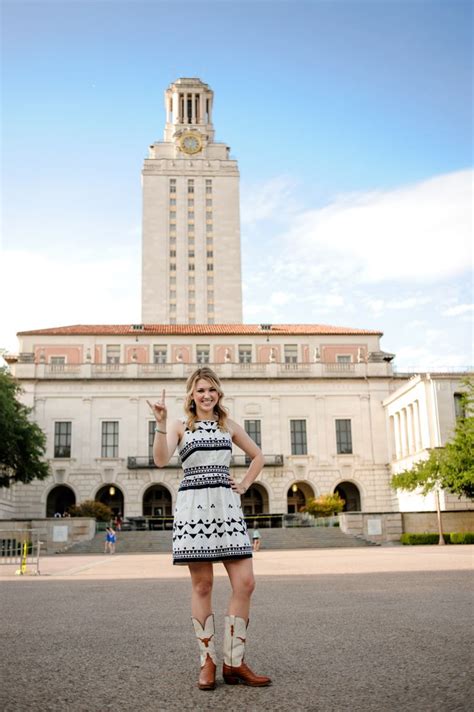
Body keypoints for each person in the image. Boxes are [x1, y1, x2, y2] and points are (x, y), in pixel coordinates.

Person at [147, 367, 271, 691]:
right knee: (202, 586)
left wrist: (244, 483)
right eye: (200, 390)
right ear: (192, 394)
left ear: (218, 394)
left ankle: (234, 662)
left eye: (211, 390)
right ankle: (208, 661)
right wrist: (160, 425)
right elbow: (160, 461)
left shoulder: (227, 426)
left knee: (245, 582)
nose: (206, 395)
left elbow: (257, 456)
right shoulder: (178, 426)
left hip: (227, 507)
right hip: (193, 511)